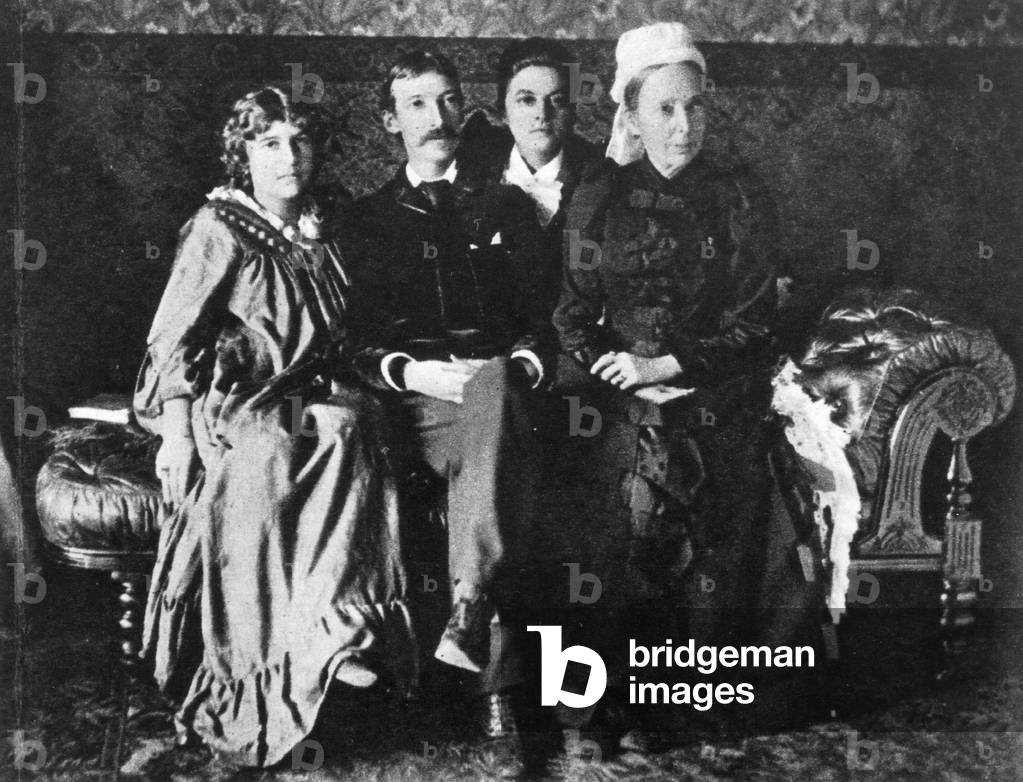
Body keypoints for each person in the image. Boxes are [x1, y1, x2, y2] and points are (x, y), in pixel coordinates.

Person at [135, 86, 417, 768]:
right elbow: (172, 340)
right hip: (244, 394)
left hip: (321, 383)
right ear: (244, 155)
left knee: (351, 427)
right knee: (277, 447)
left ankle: (334, 636)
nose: (288, 156)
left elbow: (357, 326)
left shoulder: (329, 223)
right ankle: (277, 663)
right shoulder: (219, 227)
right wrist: (175, 433)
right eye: (269, 144)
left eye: (299, 140)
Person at [551, 23, 780, 748]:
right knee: (609, 502)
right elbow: (570, 313)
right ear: (631, 116)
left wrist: (668, 365)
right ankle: (595, 705)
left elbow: (755, 322)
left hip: (712, 386)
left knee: (691, 482)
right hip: (613, 392)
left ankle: (680, 704)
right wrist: (614, 369)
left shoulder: (739, 194)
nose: (684, 127)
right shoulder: (598, 195)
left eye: (695, 107)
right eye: (664, 110)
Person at [341, 50, 552, 778]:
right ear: (389, 122)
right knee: (474, 432)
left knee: (496, 383)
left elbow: (546, 320)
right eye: (416, 105)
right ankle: (477, 647)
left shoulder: (506, 208)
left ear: (466, 109)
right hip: (409, 410)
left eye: (448, 100)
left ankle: (470, 612)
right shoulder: (364, 220)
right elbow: (350, 341)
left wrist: (515, 366)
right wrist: (409, 369)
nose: (436, 119)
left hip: (495, 395)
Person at [461, 37, 603, 324]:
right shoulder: (469, 174)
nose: (542, 114)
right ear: (502, 111)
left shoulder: (599, 181)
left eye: (558, 100)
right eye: (527, 100)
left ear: (573, 111)